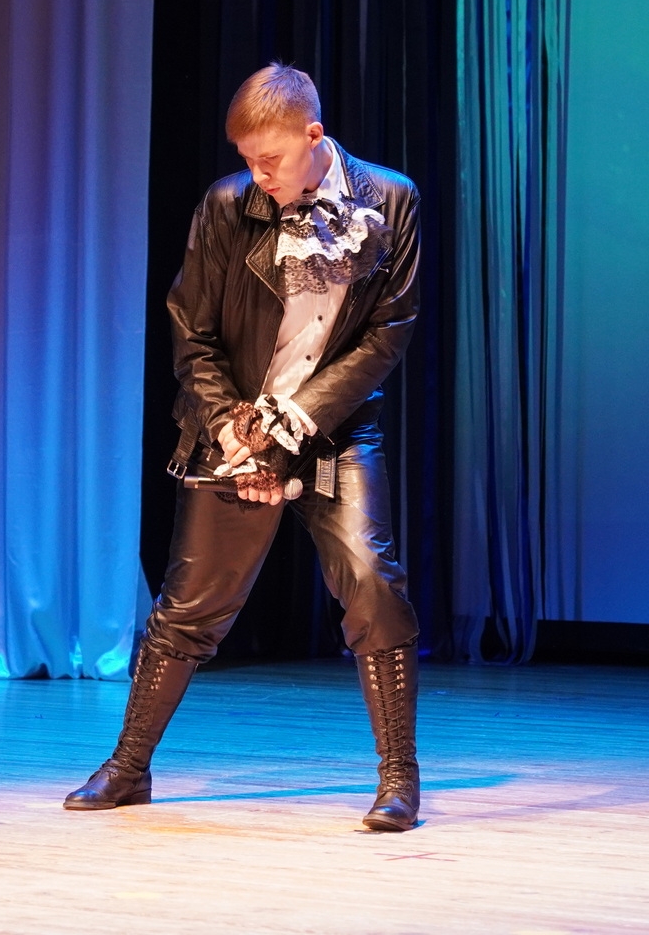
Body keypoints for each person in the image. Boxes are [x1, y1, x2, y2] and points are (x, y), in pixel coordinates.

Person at [64, 63, 423, 831]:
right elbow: (190, 330)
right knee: (190, 604)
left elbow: (386, 333)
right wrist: (235, 426)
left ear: (313, 136)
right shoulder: (228, 206)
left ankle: (398, 778)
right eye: (248, 161)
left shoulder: (392, 200)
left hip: (333, 425)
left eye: (271, 160)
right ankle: (127, 766)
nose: (258, 176)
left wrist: (294, 427)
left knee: (371, 580)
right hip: (235, 427)